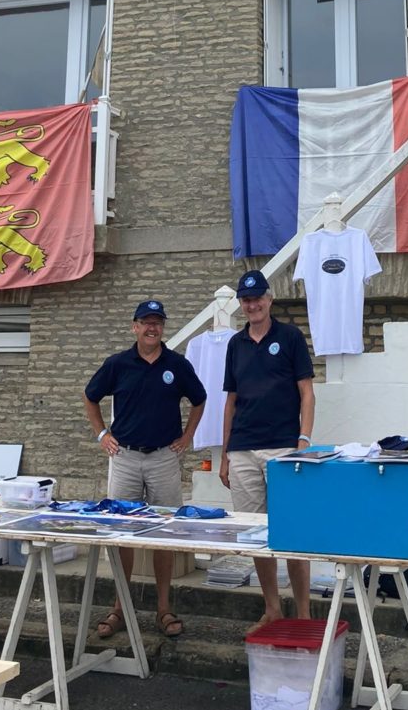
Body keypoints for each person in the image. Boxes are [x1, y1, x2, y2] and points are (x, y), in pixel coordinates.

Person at [84, 299, 206, 638]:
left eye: (158, 322)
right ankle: (120, 608)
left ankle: (164, 608)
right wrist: (101, 435)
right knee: (121, 533)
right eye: (145, 322)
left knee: (164, 533)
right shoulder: (118, 364)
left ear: (163, 327)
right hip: (125, 457)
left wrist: (188, 436)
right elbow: (90, 396)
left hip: (164, 458)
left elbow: (200, 399)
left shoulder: (177, 365)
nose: (152, 328)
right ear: (134, 326)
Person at [219, 270, 316, 633]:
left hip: (284, 448)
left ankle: (304, 614)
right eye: (246, 300)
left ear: (269, 299)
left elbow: (306, 392)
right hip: (243, 449)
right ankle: (273, 608)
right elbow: (230, 401)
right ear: (241, 305)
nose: (253, 304)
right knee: (258, 537)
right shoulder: (235, 344)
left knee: (292, 533)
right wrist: (226, 453)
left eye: (258, 297)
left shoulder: (290, 337)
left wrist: (304, 440)